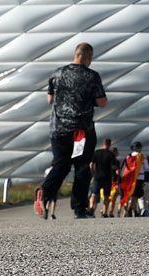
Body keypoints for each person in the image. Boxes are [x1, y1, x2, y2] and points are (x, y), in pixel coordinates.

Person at [38, 42, 108, 219]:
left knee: (60, 165)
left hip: (58, 129)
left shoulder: (57, 73)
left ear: (75, 54)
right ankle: (79, 208)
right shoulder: (91, 76)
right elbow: (102, 102)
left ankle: (44, 192)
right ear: (88, 57)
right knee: (82, 168)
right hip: (81, 132)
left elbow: (50, 100)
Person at [91, 138, 118, 217]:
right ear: (110, 145)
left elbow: (91, 165)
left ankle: (91, 209)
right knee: (106, 196)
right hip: (107, 177)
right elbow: (113, 167)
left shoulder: (96, 152)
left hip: (97, 177)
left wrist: (93, 174)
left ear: (103, 144)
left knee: (94, 194)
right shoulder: (111, 154)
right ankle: (105, 212)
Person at [119, 142, 144, 217]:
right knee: (135, 196)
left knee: (128, 194)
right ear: (139, 148)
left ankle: (126, 209)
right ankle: (131, 208)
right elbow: (145, 168)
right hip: (138, 178)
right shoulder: (140, 156)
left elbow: (123, 168)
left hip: (127, 178)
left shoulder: (128, 156)